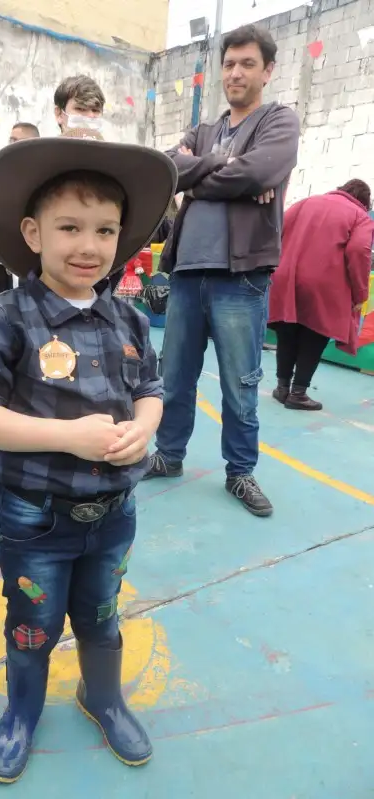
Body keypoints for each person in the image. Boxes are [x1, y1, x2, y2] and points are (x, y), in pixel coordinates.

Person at [0, 128, 177, 783]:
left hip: (113, 514)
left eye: (105, 230)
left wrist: (145, 425)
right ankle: (21, 711)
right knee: (32, 622)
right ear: (33, 233)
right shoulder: (2, 318)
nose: (89, 246)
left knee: (103, 616)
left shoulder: (129, 319)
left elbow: (152, 388)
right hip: (34, 518)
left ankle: (101, 696)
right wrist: (70, 436)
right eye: (69, 227)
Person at [144, 24, 300, 518]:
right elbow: (168, 167)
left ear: (267, 71)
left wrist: (200, 175)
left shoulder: (279, 122)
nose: (235, 72)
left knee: (240, 383)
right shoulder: (205, 130)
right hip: (187, 273)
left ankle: (240, 472)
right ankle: (168, 455)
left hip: (242, 277)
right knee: (174, 377)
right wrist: (224, 168)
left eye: (247, 64)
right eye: (229, 64)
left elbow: (258, 171)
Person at [269, 179, 374, 410]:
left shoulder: (305, 202)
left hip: (286, 276)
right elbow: (360, 250)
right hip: (325, 282)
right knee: (315, 334)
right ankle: (298, 394)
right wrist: (360, 293)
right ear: (364, 202)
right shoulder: (360, 216)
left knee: (287, 331)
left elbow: (275, 229)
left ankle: (282, 387)